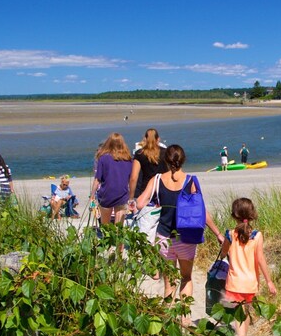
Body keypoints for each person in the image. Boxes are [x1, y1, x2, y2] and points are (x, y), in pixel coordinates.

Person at [135, 144, 223, 303]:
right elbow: (201, 212)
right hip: (186, 239)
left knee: (169, 282)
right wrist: (218, 233)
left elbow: (140, 203)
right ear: (183, 160)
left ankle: (168, 321)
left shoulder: (157, 180)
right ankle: (185, 320)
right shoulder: (190, 181)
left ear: (165, 160)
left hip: (164, 238)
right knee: (186, 278)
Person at [217, 197, 276, 336]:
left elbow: (223, 253)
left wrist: (224, 251)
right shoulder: (257, 235)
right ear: (252, 214)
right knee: (246, 312)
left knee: (238, 314)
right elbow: (261, 259)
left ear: (233, 216)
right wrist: (269, 281)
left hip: (234, 282)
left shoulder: (230, 234)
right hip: (250, 283)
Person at [91, 133, 134, 227]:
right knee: (119, 228)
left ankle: (107, 241)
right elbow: (131, 179)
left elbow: (97, 179)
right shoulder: (129, 160)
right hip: (122, 194)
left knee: (105, 226)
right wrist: (131, 197)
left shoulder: (103, 158)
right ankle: (118, 242)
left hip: (106, 194)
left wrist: (92, 196)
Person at [128, 128, 168, 204]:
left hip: (146, 189)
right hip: (163, 187)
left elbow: (134, 177)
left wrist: (131, 197)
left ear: (145, 139)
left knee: (145, 214)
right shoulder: (166, 152)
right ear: (158, 139)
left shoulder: (139, 154)